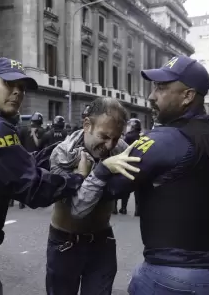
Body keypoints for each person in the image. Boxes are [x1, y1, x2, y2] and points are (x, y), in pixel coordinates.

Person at [0, 57, 138, 295]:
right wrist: (78, 178)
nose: (17, 92)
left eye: (21, 88)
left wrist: (50, 153)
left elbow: (7, 166)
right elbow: (32, 188)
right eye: (9, 84)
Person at [81, 56, 209, 294]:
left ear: (187, 96)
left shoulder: (161, 141)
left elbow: (109, 189)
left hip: (174, 275)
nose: (151, 96)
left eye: (161, 88)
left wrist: (92, 171)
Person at [46, 98, 139, 295]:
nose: (109, 144)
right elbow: (77, 208)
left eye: (115, 137)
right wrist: (102, 171)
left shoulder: (120, 147)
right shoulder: (63, 154)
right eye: (104, 136)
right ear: (87, 125)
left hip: (102, 241)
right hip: (65, 243)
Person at [115, 118, 142, 216]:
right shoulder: (143, 136)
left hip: (127, 163)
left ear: (133, 126)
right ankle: (138, 210)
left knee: (123, 186)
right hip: (139, 164)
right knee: (138, 189)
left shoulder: (128, 137)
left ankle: (122, 208)